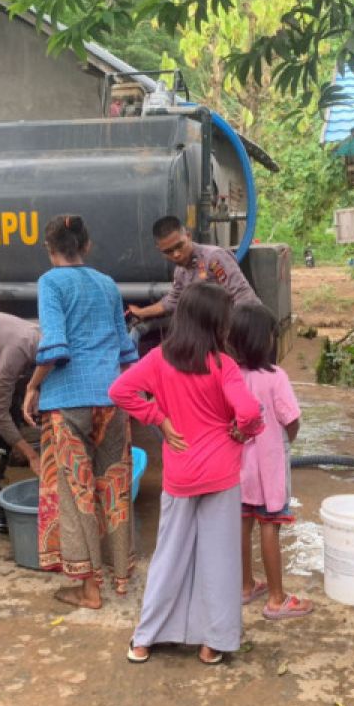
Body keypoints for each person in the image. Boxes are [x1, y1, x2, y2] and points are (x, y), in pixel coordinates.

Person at [110, 282, 265, 666]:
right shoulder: (223, 365)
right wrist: (241, 432)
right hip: (221, 473)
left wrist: (158, 420)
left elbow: (120, 391)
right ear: (216, 323)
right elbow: (248, 413)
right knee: (220, 558)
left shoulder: (160, 359)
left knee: (169, 554)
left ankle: (145, 639)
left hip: (180, 473)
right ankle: (213, 643)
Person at [22, 215, 139, 609]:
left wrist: (33, 384)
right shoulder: (107, 284)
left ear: (48, 249)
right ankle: (120, 577)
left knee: (76, 496)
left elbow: (55, 347)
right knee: (115, 489)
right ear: (86, 246)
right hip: (113, 398)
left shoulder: (50, 282)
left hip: (68, 401)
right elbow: (126, 350)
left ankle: (89, 591)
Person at [228, 303, 312, 620]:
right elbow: (291, 420)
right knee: (269, 526)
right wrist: (284, 440)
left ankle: (245, 586)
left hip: (237, 469)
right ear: (267, 341)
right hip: (269, 469)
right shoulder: (275, 377)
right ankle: (276, 598)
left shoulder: (230, 375)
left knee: (242, 523)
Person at [126, 216, 260, 346]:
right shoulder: (180, 272)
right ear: (160, 251)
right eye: (168, 251)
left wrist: (236, 336)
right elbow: (172, 301)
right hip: (212, 336)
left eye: (179, 246)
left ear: (188, 236)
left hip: (241, 334)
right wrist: (141, 312)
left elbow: (243, 296)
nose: (176, 254)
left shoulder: (214, 257)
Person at [0, 309, 41, 535]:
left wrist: (33, 392)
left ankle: (7, 461)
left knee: (14, 416)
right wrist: (32, 455)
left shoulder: (41, 338)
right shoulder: (19, 349)